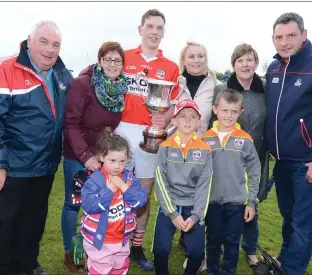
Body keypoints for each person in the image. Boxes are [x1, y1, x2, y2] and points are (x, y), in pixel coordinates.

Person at [0, 21, 73, 275]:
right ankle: (3, 269)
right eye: (44, 42)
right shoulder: (6, 68)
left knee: (35, 220)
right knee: (5, 223)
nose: (50, 50)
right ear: (29, 41)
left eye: (56, 44)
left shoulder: (62, 74)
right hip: (13, 167)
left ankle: (28, 264)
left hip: (45, 165)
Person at [265, 12, 312, 275]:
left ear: (304, 35)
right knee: (289, 217)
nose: (284, 42)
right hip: (282, 162)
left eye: (291, 35)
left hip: (310, 164)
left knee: (304, 223)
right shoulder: (273, 68)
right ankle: (285, 256)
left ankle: (291, 270)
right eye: (279, 37)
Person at [114, 9, 179, 271]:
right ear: (140, 29)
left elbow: (171, 106)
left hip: (149, 136)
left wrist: (165, 121)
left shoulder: (171, 67)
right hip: (119, 131)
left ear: (163, 32)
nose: (154, 32)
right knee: (115, 190)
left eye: (159, 28)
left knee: (143, 194)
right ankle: (113, 241)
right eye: (150, 26)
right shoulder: (123, 57)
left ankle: (136, 247)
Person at [61, 41, 127, 273]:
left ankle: (93, 249)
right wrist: (85, 155)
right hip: (77, 155)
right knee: (73, 204)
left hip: (102, 158)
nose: (112, 64)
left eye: (117, 60)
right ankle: (71, 252)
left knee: (99, 203)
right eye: (107, 59)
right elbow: (70, 123)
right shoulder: (83, 84)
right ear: (99, 61)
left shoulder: (120, 88)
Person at [209, 43, 269, 267]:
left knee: (251, 202)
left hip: (257, 154)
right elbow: (211, 123)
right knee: (222, 202)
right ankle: (219, 245)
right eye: (240, 60)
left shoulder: (264, 88)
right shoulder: (222, 89)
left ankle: (250, 248)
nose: (245, 64)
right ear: (233, 64)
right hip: (226, 155)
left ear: (255, 63)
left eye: (250, 59)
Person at [202, 89, 260, 275]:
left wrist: (251, 201)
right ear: (215, 109)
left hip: (237, 203)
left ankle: (228, 272)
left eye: (234, 111)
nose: (229, 115)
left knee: (232, 242)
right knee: (212, 241)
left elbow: (254, 172)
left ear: (240, 112)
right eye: (224, 110)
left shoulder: (245, 140)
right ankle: (212, 270)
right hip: (212, 202)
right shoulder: (205, 139)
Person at [153, 99, 212, 275]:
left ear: (199, 121)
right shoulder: (164, 147)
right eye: (183, 116)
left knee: (196, 253)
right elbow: (160, 182)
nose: (187, 120)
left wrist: (195, 216)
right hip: (169, 205)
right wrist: (172, 213)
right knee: (160, 250)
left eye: (193, 117)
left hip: (193, 207)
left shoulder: (205, 150)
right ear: (174, 120)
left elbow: (204, 186)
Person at [80, 132, 147, 275]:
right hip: (99, 240)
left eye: (122, 161)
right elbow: (89, 205)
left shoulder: (129, 179)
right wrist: (109, 190)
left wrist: (124, 187)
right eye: (112, 160)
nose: (117, 166)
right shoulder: (95, 180)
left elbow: (141, 201)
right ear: (102, 157)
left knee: (119, 268)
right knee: (100, 269)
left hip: (122, 239)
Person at [176, 41, 220, 137]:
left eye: (200, 56)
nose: (196, 60)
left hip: (203, 146)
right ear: (183, 60)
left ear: (205, 59)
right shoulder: (174, 84)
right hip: (175, 146)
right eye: (191, 57)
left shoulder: (217, 86)